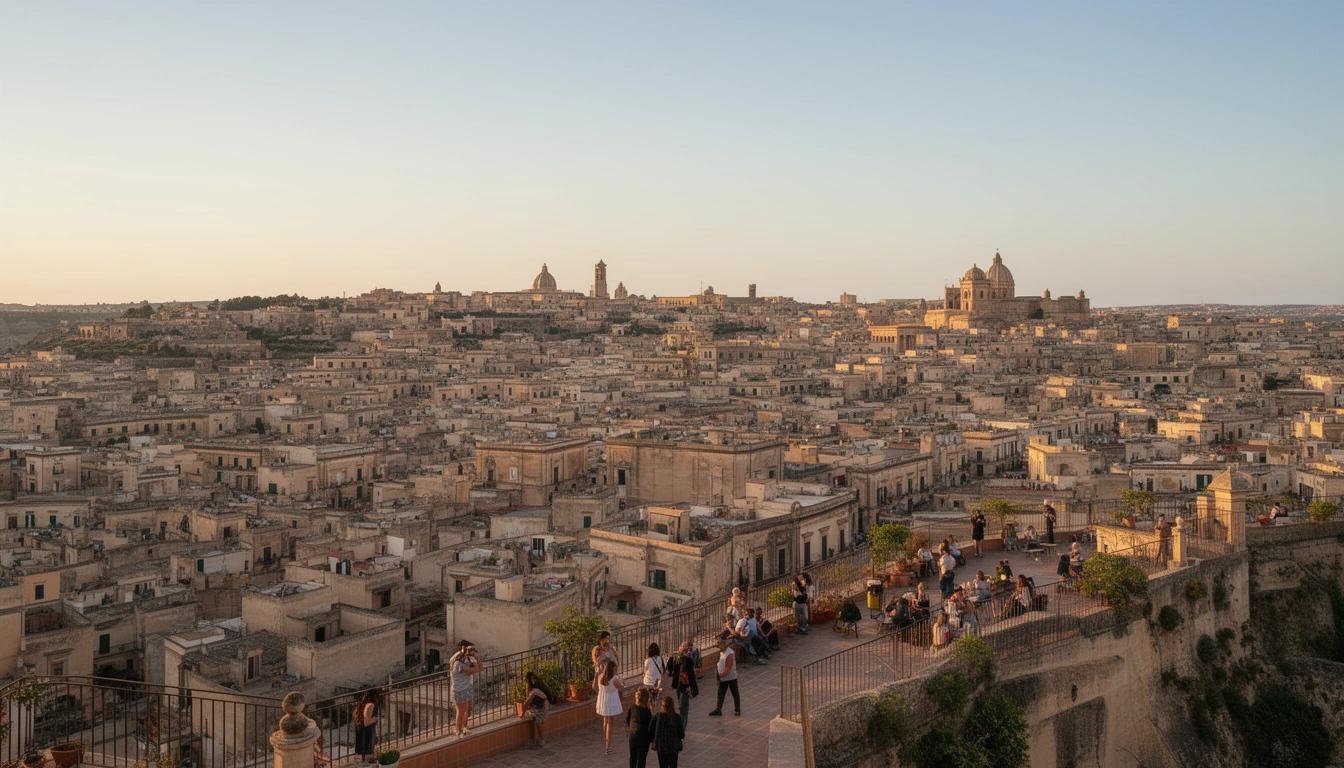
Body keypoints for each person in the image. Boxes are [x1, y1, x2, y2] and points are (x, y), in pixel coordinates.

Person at [448, 641, 481, 737]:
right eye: (471, 649)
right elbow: (476, 669)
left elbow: (479, 668)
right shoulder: (458, 661)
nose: (472, 651)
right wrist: (474, 658)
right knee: (461, 710)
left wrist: (475, 658)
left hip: (466, 687)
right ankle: (458, 730)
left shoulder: (464, 659)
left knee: (467, 709)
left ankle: (464, 727)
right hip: (459, 689)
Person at [666, 641, 700, 729]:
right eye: (683, 647)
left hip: (685, 686)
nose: (684, 648)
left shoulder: (689, 658)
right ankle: (681, 725)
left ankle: (681, 726)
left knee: (683, 705)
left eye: (686, 647)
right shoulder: (676, 657)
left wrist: (690, 686)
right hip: (679, 685)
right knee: (682, 705)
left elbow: (691, 672)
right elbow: (669, 668)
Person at [596, 660, 625, 755]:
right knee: (609, 723)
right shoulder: (614, 679)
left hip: (603, 700)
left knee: (605, 721)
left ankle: (607, 741)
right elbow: (621, 687)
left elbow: (595, 687)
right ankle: (608, 746)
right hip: (611, 701)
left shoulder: (601, 677)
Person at [707, 637, 740, 717]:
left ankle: (737, 709)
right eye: (718, 644)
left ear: (724, 644)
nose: (719, 645)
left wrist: (720, 675)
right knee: (721, 694)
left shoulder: (729, 654)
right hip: (723, 677)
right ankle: (718, 709)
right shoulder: (723, 652)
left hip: (730, 677)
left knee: (734, 693)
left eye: (720, 644)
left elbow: (729, 667)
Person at [519, 671, 552, 748]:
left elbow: (527, 702)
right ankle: (531, 738)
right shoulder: (533, 689)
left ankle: (541, 738)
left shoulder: (535, 691)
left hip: (543, 706)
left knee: (538, 721)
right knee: (530, 718)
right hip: (535, 707)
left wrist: (522, 712)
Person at [651, 695, 686, 768]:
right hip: (673, 747)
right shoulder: (676, 717)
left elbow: (650, 729)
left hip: (661, 747)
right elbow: (682, 734)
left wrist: (655, 739)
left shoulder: (658, 716)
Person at [625, 687, 654, 768]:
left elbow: (627, 719)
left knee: (633, 757)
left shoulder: (632, 707)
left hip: (633, 735)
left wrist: (631, 727)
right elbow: (651, 723)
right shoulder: (646, 711)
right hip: (643, 738)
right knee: (641, 759)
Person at [353, 688, 382, 765]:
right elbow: (367, 722)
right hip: (367, 730)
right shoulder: (371, 705)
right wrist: (374, 719)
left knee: (362, 745)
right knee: (368, 744)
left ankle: (364, 761)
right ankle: (367, 760)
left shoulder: (363, 705)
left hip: (361, 731)